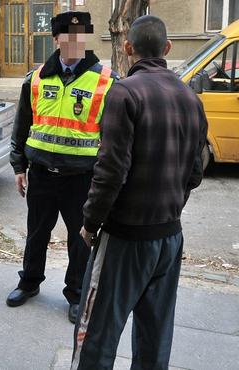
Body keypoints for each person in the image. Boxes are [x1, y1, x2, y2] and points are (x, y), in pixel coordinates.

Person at [71, 15, 208, 369]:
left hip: (124, 240)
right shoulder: (191, 99)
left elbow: (110, 171)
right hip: (169, 238)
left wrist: (90, 223)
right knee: (154, 339)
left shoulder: (125, 92)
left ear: (127, 48)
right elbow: (195, 172)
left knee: (96, 337)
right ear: (167, 48)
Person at [8, 11, 119, 323]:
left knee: (80, 239)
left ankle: (76, 293)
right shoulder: (36, 79)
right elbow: (21, 127)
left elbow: (113, 138)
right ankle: (29, 283)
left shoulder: (105, 81)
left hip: (82, 178)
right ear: (56, 40)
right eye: (68, 37)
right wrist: (19, 166)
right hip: (41, 175)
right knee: (36, 234)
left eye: (79, 36)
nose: (74, 42)